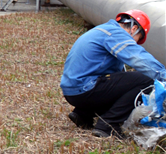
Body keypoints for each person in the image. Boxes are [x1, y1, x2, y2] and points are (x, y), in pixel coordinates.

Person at [60, 9, 166, 139]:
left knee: (126, 83)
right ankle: (108, 125)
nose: (134, 43)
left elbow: (118, 79)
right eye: (137, 40)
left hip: (73, 92)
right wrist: (163, 75)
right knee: (146, 80)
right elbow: (139, 58)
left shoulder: (103, 30)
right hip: (85, 89)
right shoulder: (115, 34)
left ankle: (83, 114)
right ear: (134, 29)